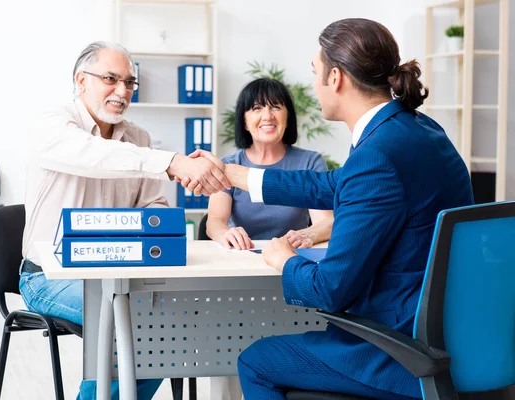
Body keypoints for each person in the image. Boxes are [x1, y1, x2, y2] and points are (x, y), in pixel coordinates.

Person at [183, 18, 474, 400]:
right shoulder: (416, 129)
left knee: (256, 361)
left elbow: (329, 291)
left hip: (401, 352)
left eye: (315, 73)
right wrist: (238, 175)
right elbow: (338, 186)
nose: (315, 86)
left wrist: (284, 259)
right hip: (455, 338)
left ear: (335, 77)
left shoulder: (377, 154)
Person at [19, 41, 229, 400]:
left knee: (174, 324)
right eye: (111, 79)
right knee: (131, 324)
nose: (123, 91)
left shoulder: (139, 139)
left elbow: (153, 204)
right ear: (81, 80)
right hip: (48, 276)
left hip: (119, 275)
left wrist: (162, 220)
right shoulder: (54, 125)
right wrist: (172, 162)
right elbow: (95, 156)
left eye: (130, 82)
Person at [207, 78, 334, 252]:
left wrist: (309, 234)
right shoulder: (229, 165)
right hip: (242, 258)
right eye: (257, 108)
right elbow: (215, 221)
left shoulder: (310, 162)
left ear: (287, 117)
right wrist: (225, 234)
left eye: (275, 106)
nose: (267, 116)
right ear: (244, 121)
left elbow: (325, 222)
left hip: (294, 257)